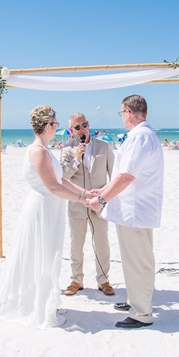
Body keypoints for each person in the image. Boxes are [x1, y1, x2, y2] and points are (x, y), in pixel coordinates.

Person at [0, 105, 90, 329]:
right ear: (47, 126)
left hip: (51, 208)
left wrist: (83, 192)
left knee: (49, 255)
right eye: (55, 124)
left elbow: (61, 179)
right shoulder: (38, 151)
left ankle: (45, 302)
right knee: (42, 256)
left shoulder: (45, 149)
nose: (57, 128)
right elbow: (53, 186)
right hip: (42, 208)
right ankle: (37, 306)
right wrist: (80, 200)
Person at [87, 95, 164, 329]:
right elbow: (124, 174)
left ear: (129, 112)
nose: (121, 117)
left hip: (136, 211)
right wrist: (104, 189)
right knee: (136, 259)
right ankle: (135, 300)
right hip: (132, 210)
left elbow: (126, 176)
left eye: (121, 113)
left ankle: (142, 313)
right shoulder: (141, 136)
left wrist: (102, 198)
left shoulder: (141, 137)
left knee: (138, 261)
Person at [60, 112, 115, 297]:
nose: (82, 129)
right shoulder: (67, 149)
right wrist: (76, 159)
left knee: (102, 242)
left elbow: (113, 176)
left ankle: (103, 279)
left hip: (100, 204)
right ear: (72, 130)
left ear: (88, 124)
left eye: (84, 124)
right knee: (76, 243)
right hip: (77, 204)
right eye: (77, 127)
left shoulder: (104, 147)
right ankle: (77, 279)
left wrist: (104, 197)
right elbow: (62, 177)